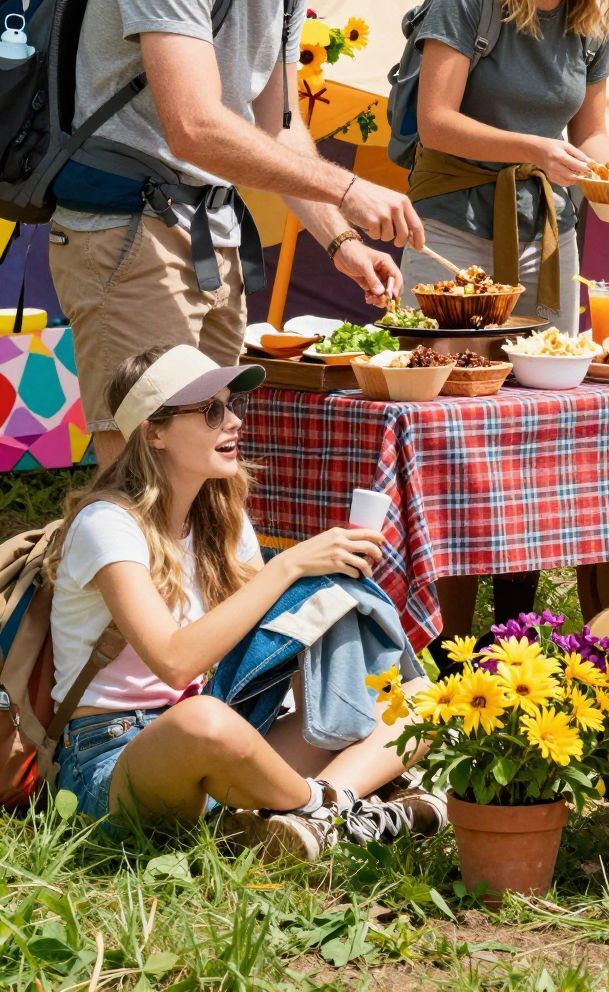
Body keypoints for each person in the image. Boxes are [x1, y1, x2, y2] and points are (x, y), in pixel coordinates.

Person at [49, 0, 425, 468]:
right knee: (145, 477)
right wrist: (346, 188)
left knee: (211, 484)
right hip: (130, 237)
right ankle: (86, 580)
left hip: (210, 238)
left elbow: (276, 124)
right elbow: (195, 125)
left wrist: (339, 241)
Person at [47, 345, 441, 855]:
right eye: (212, 411)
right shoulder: (108, 524)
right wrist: (287, 566)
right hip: (110, 758)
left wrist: (323, 595)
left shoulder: (220, 520)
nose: (233, 421)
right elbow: (173, 661)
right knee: (198, 721)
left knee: (420, 701)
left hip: (223, 728)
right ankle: (335, 809)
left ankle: (315, 817)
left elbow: (260, 642)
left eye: (232, 405)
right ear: (155, 431)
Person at [402, 0, 609, 637]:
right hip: (451, 232)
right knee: (452, 427)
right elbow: (436, 121)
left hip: (547, 235)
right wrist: (535, 150)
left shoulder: (592, 15)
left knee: (532, 427)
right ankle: (437, 643)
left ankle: (515, 637)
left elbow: (590, 132)